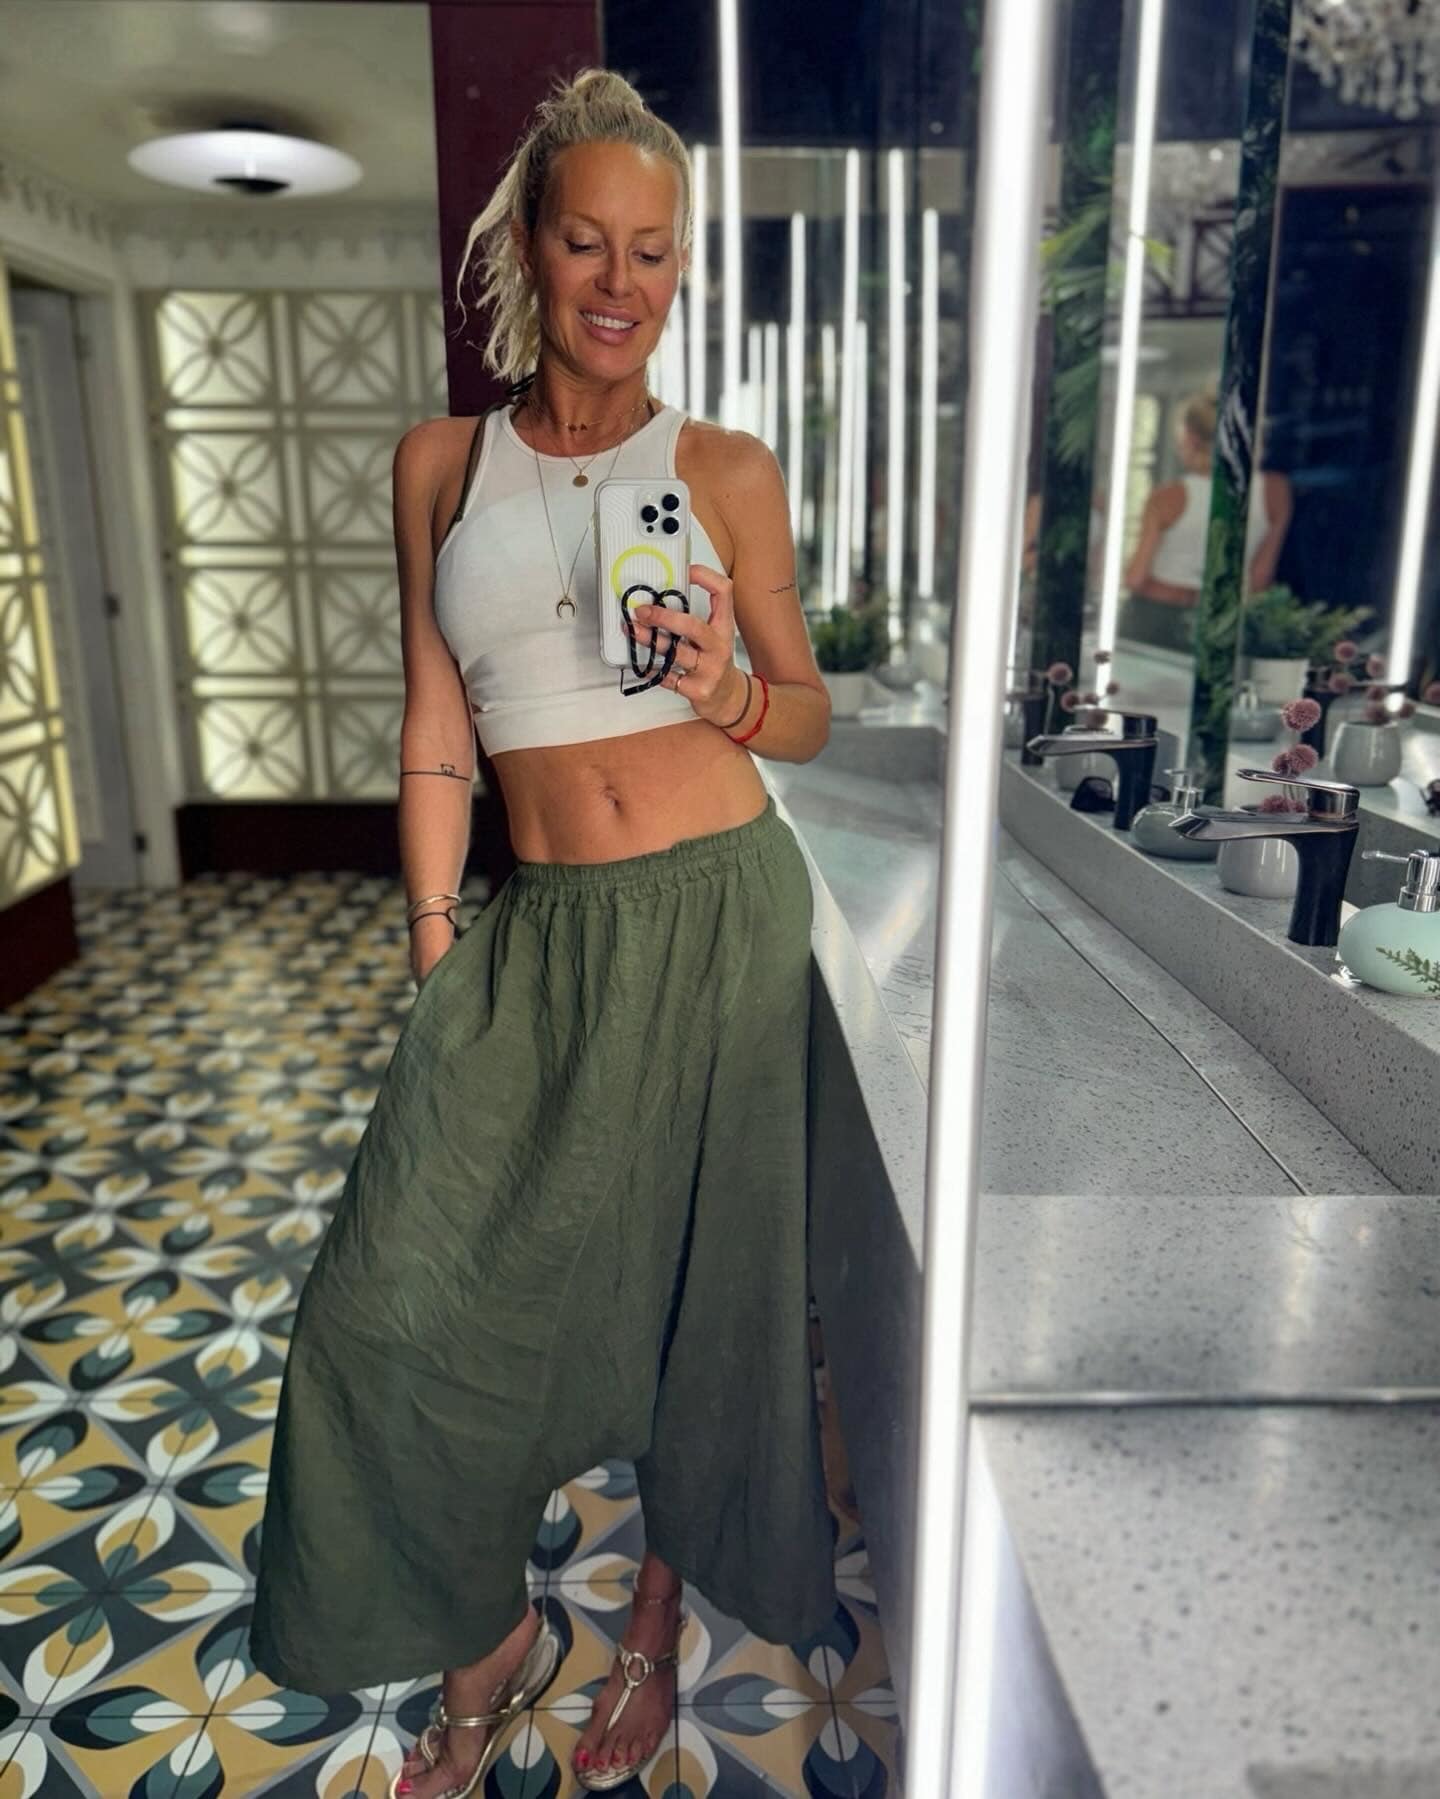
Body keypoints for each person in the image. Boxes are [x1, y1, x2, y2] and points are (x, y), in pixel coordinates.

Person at [248, 68, 838, 1799]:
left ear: (681, 265)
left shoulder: (723, 467)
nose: (619, 280)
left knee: (701, 1300)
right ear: (528, 244)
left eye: (653, 249)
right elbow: (439, 720)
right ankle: (491, 1630)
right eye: (587, 240)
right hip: (540, 926)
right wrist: (437, 937)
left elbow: (805, 713)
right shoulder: (442, 462)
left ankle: (650, 1622)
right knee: (389, 1306)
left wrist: (724, 684)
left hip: (722, 918)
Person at [1122, 390, 1293, 651]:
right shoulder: (1275, 490)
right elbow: (1260, 577)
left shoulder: (1168, 497)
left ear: (1189, 438)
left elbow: (1135, 578)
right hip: (1222, 618)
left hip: (1157, 616)